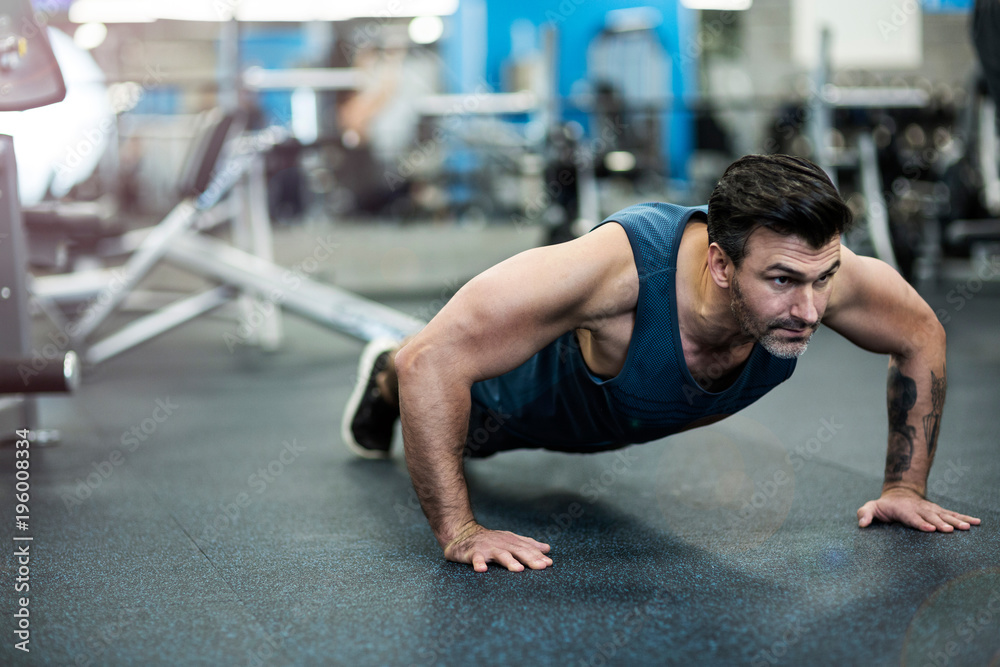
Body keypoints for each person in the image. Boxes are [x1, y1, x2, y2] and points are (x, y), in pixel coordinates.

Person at [341, 154, 981, 572]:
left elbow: (921, 333)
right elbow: (432, 360)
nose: (811, 310)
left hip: (597, 424)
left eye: (824, 280)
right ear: (721, 265)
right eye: (783, 281)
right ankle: (381, 377)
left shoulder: (814, 276)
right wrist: (460, 533)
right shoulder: (612, 272)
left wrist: (905, 486)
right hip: (501, 405)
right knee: (424, 377)